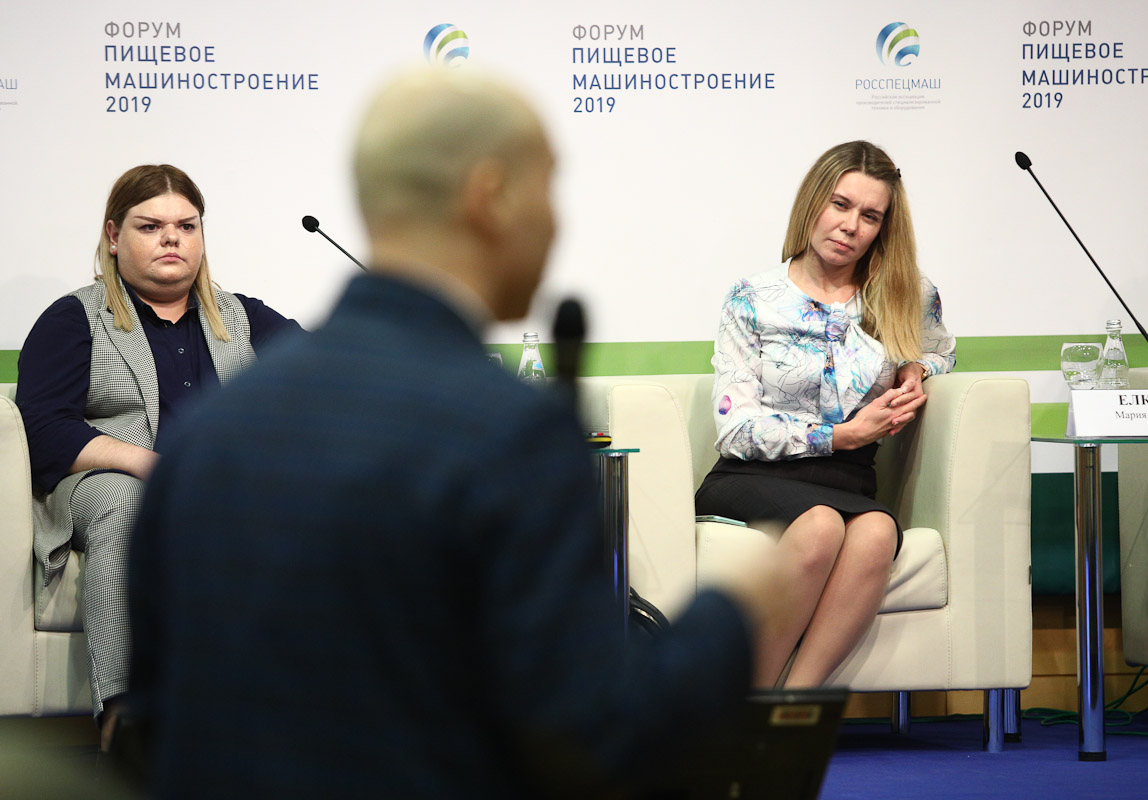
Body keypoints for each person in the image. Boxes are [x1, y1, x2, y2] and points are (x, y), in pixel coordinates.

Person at [126, 69, 790, 797]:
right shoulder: (513, 434)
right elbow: (597, 742)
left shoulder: (205, 438)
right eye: (549, 186)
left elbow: (158, 727)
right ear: (490, 195)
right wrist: (736, 610)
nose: (556, 221)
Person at [14, 164, 300, 750]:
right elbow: (42, 427)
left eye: (186, 226)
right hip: (107, 479)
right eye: (150, 226)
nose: (172, 238)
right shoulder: (75, 318)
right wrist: (151, 465)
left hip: (217, 487)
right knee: (132, 504)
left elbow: (318, 377)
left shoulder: (242, 316)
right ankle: (129, 722)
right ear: (114, 235)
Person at [694, 140, 956, 690]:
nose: (850, 226)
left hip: (848, 479)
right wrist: (842, 435)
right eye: (840, 204)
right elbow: (736, 429)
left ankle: (794, 707)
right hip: (754, 476)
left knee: (878, 531)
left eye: (870, 216)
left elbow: (943, 351)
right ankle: (746, 707)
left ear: (883, 228)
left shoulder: (907, 293)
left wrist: (916, 368)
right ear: (813, 202)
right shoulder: (753, 297)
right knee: (818, 526)